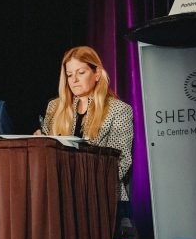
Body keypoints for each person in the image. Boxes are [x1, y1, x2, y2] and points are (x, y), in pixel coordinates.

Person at [37, 46, 133, 202]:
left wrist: (85, 183)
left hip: (103, 197)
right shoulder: (55, 107)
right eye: (69, 75)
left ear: (97, 74)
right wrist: (40, 142)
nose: (74, 80)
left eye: (81, 73)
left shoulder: (119, 110)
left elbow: (121, 162)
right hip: (61, 195)